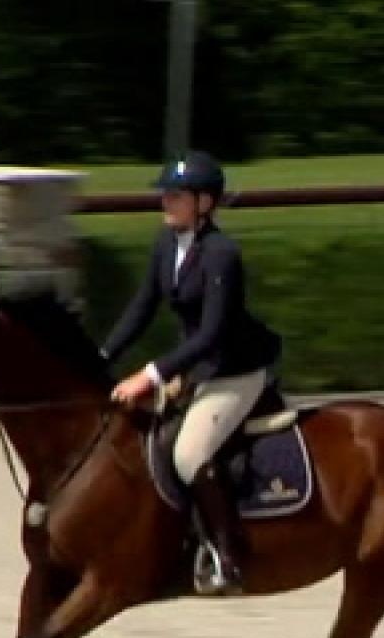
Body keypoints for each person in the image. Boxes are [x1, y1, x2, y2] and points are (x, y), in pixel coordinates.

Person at [103, 150, 284, 596]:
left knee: (189, 454)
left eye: (176, 195)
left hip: (234, 371)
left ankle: (227, 557)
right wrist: (101, 355)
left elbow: (212, 334)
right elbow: (143, 306)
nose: (165, 201)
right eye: (165, 194)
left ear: (204, 203)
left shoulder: (222, 254)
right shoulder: (166, 243)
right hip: (198, 369)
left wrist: (150, 375)